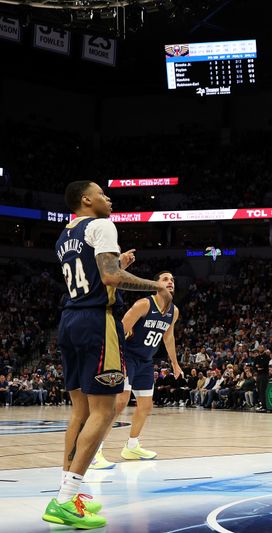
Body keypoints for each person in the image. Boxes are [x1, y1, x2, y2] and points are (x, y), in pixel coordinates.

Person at [45, 181, 171, 530]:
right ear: (86, 199)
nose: (108, 198)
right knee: (107, 410)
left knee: (81, 413)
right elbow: (110, 276)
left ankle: (67, 492)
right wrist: (154, 285)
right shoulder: (102, 225)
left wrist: (119, 261)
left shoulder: (63, 236)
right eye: (102, 193)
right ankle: (66, 498)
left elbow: (96, 270)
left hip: (69, 320)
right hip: (97, 321)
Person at [91, 271, 181, 469]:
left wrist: (175, 363)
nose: (170, 282)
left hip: (146, 361)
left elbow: (168, 337)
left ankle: (131, 446)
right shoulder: (144, 304)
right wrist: (112, 358)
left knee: (146, 406)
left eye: (172, 279)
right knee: (120, 402)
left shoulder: (173, 311)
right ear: (154, 284)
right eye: (165, 279)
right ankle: (94, 452)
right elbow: (120, 330)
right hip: (127, 357)